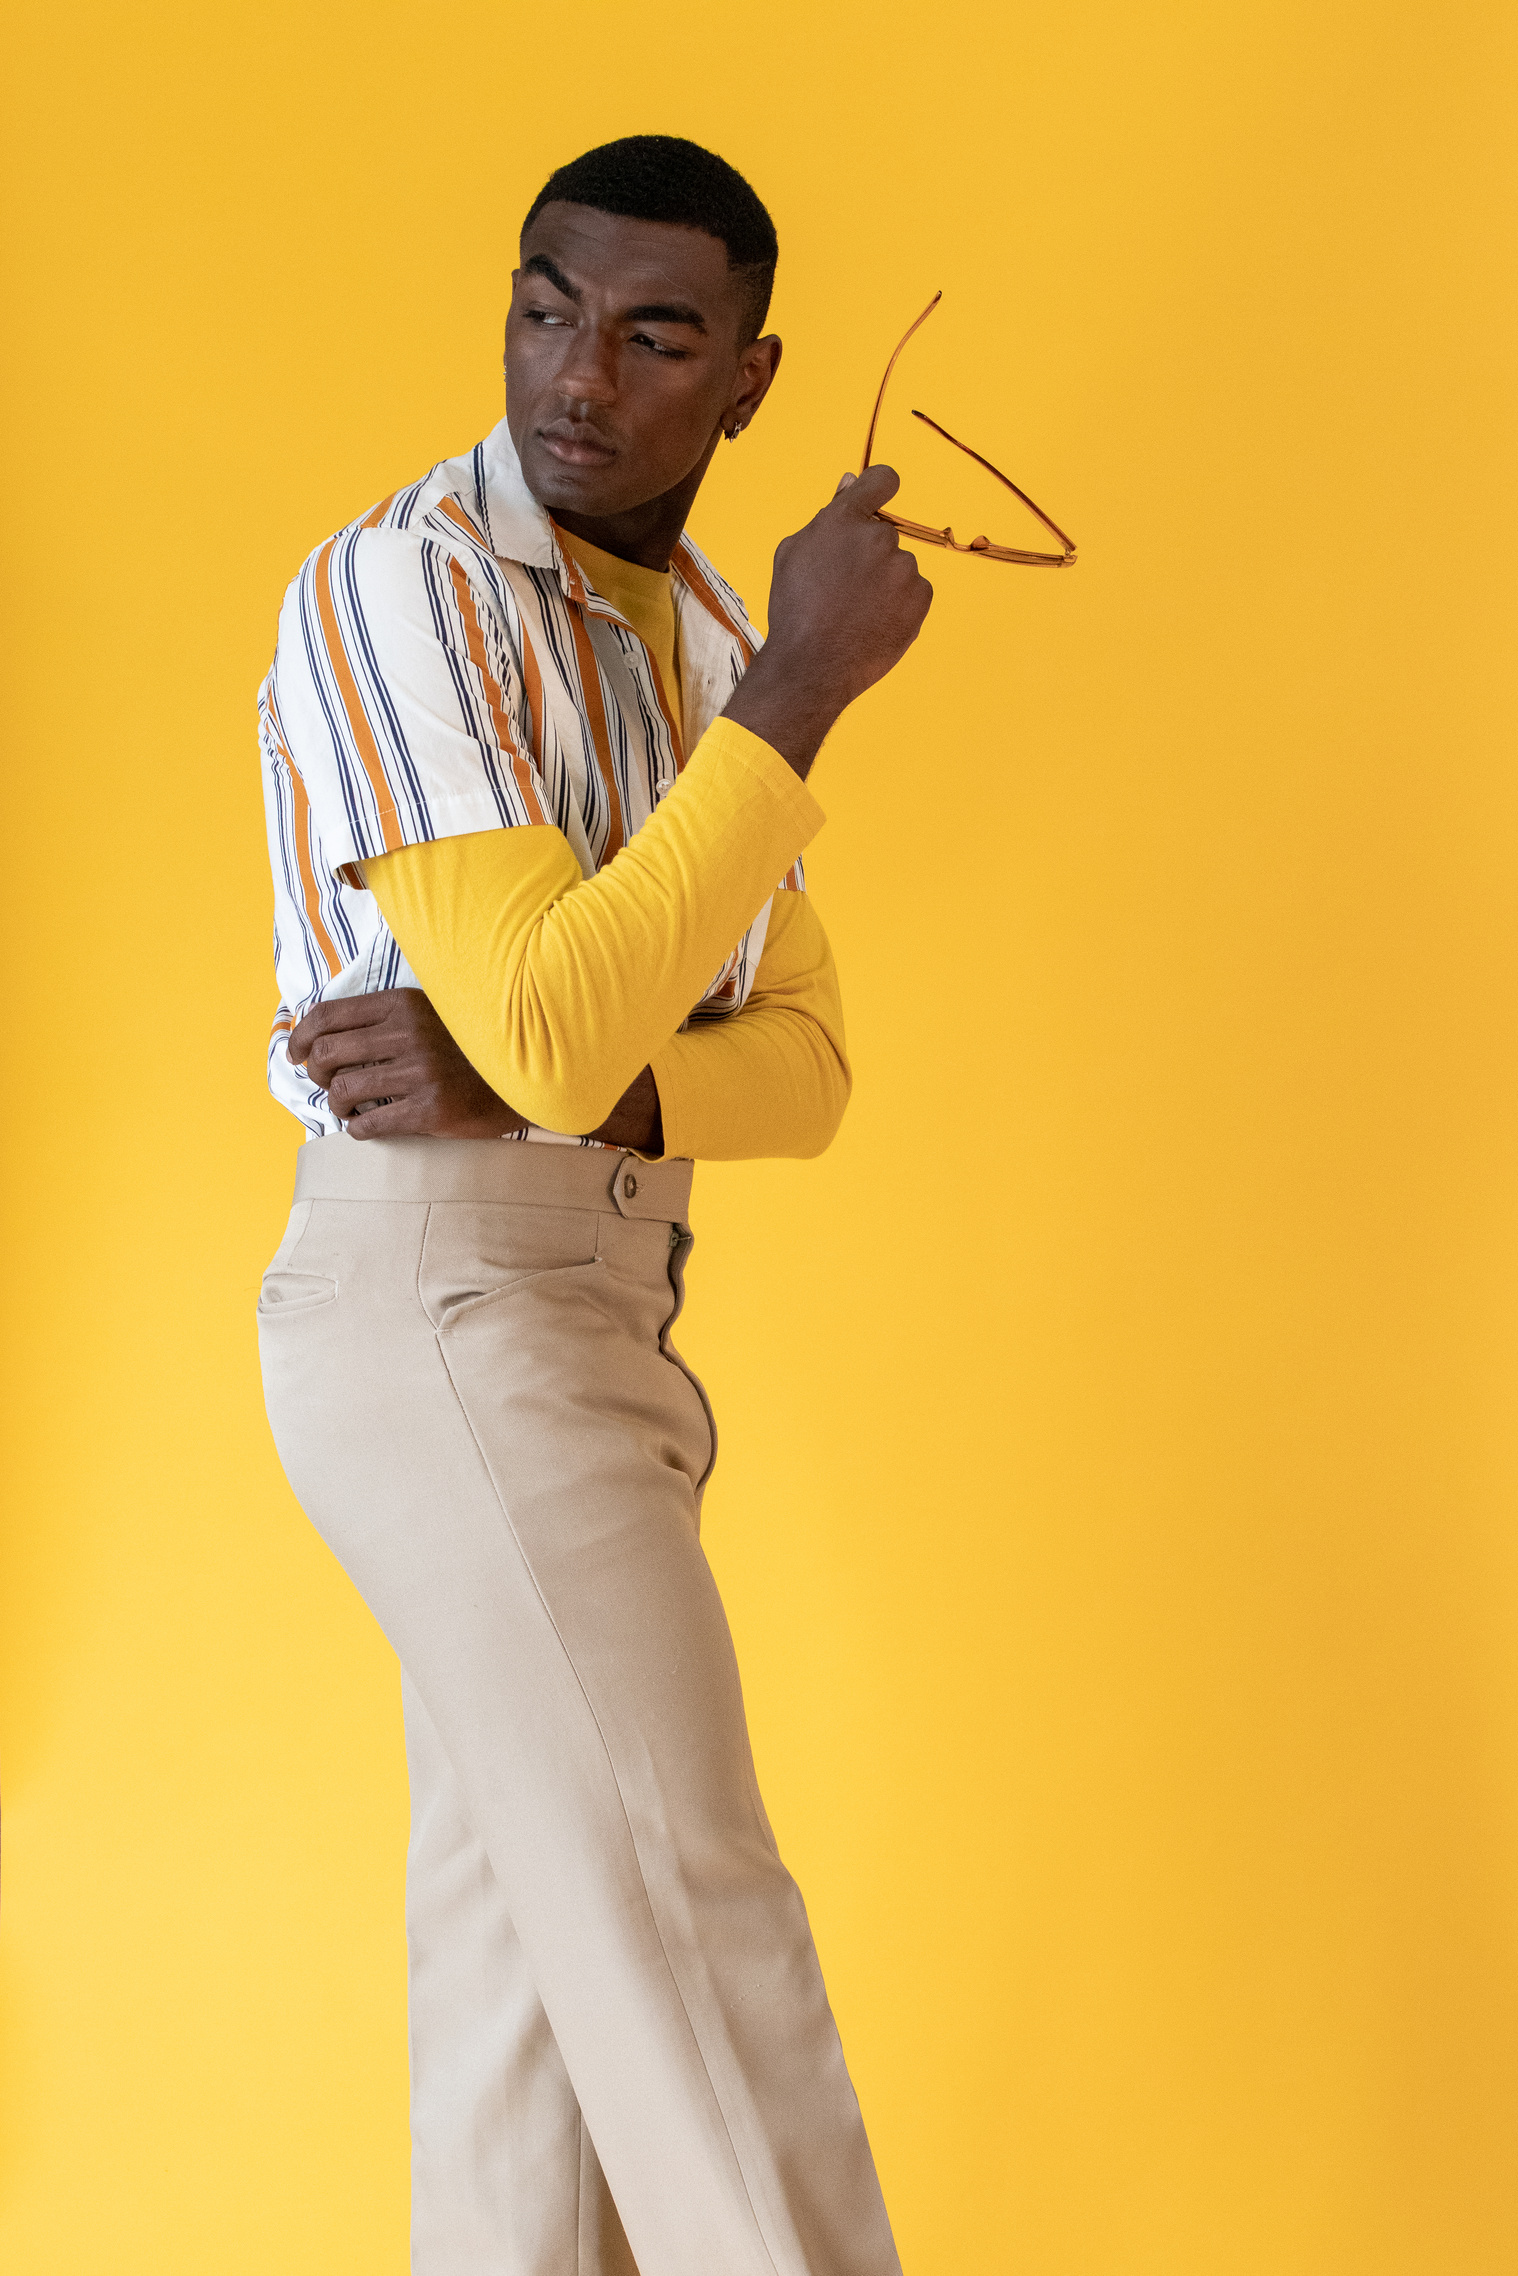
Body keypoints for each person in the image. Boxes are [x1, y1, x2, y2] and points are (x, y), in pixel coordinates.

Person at [257, 134, 930, 2276]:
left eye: (654, 336)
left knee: (533, 2006)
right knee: (690, 1917)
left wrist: (585, 1074)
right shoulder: (409, 588)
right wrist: (805, 697)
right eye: (548, 309)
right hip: (446, 1312)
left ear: (749, 380)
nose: (580, 375)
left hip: (598, 1317)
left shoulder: (703, 641)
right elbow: (552, 1031)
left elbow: (800, 1074)